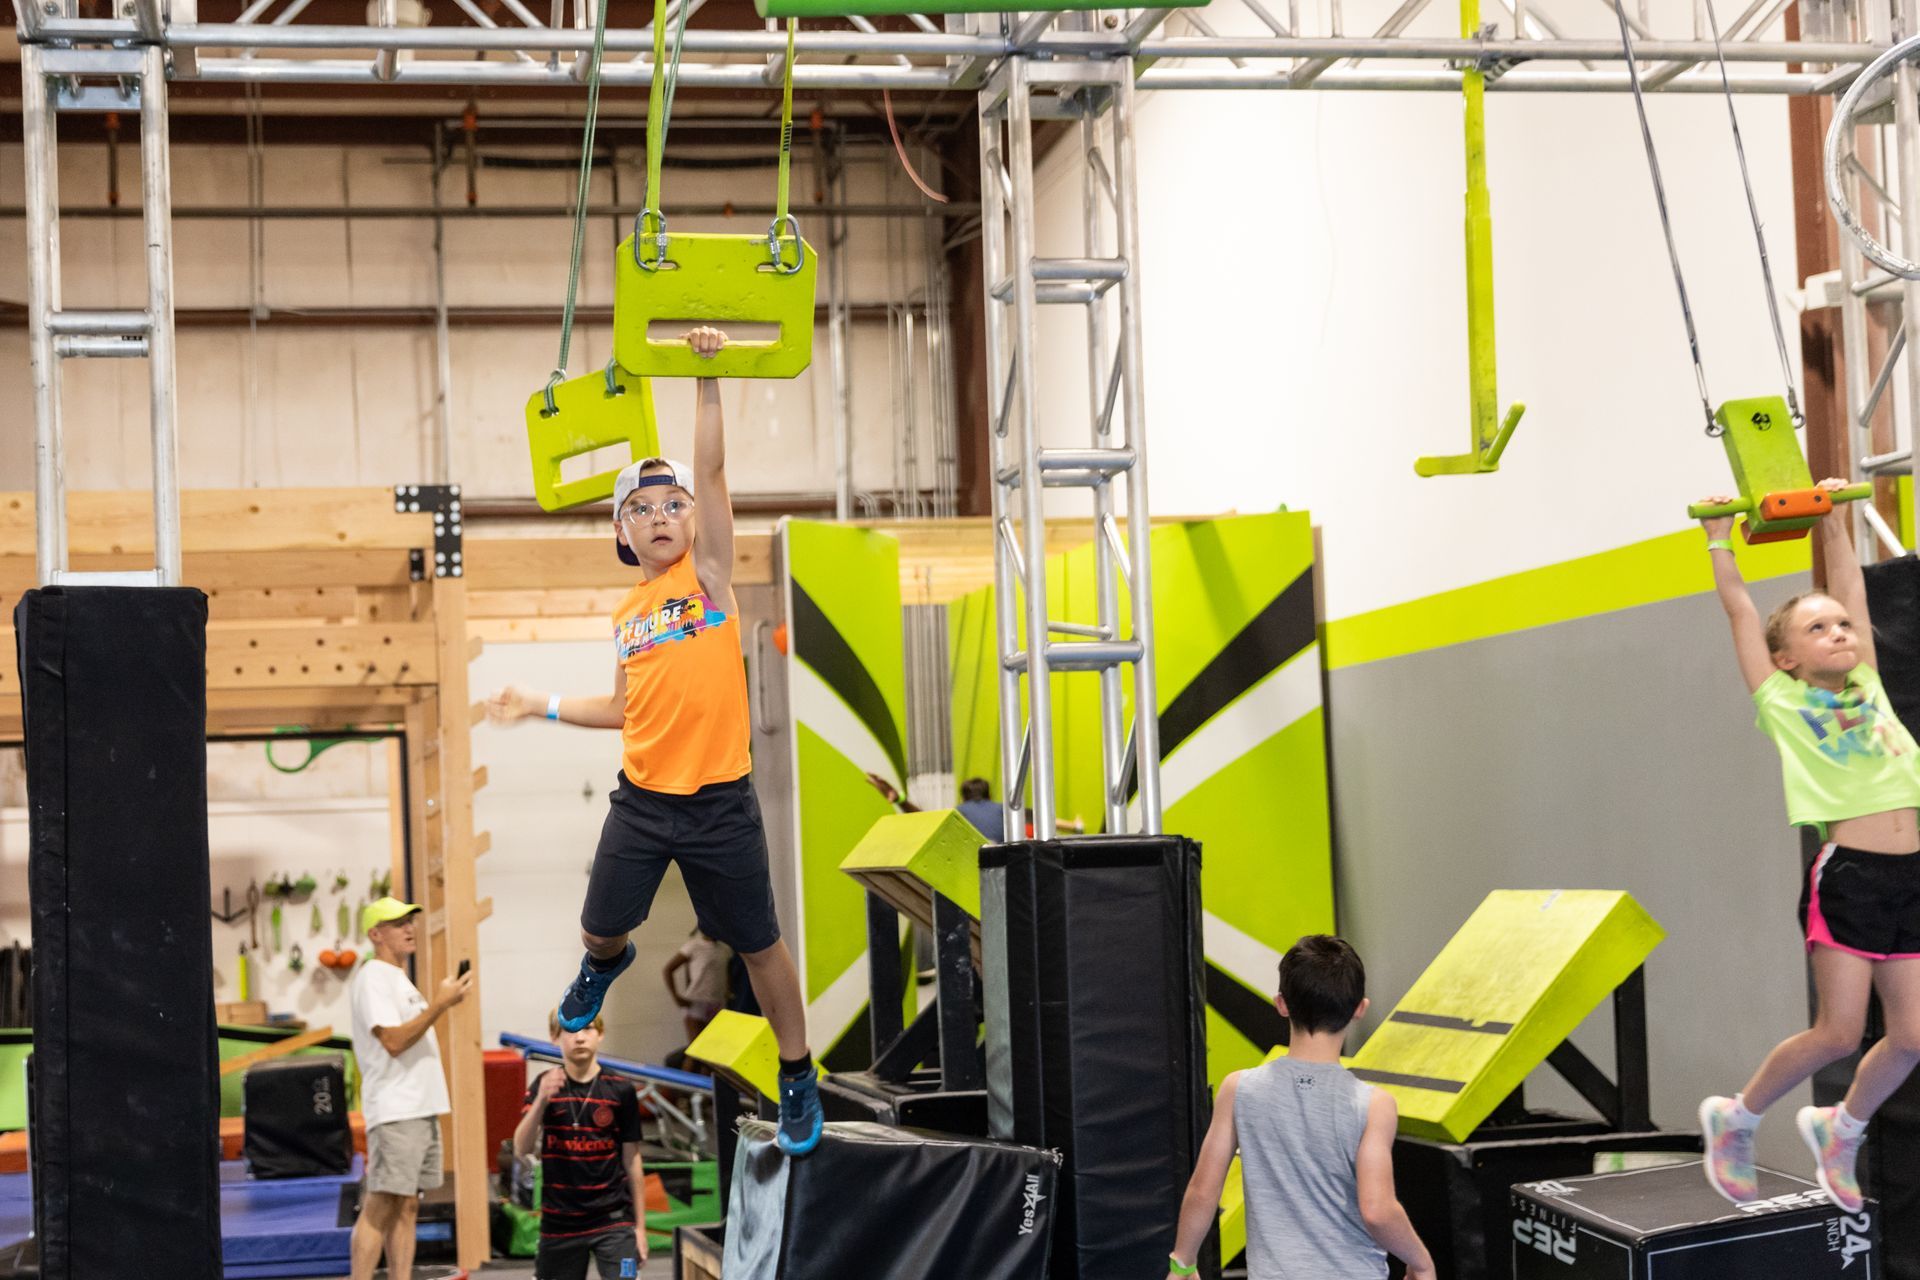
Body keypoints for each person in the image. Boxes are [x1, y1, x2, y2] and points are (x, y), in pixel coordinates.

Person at [486, 326, 823, 1156]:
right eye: (642, 508)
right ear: (621, 535)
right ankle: (603, 966)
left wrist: (705, 380)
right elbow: (626, 709)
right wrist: (538, 704)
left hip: (720, 805)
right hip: (643, 803)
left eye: (672, 505)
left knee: (761, 946)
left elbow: (709, 473)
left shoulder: (709, 581)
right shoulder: (630, 617)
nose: (664, 515)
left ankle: (799, 1072)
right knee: (598, 931)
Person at [1695, 479, 1920, 1213]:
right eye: (1818, 630)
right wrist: (1720, 541)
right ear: (1785, 659)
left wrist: (1832, 515)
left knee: (1913, 1037)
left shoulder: (1871, 687)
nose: (1840, 635)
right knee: (1839, 1031)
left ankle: (1841, 1126)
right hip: (1849, 875)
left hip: (1911, 876)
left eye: (1843, 628)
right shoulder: (1782, 701)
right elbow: (1737, 609)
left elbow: (1851, 583)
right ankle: (1739, 1116)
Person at [1165, 935, 1434, 1280]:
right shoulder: (1375, 1105)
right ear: (1359, 1009)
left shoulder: (1239, 1089)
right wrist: (1421, 1261)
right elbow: (1378, 1210)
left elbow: (1204, 1189)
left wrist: (1182, 1262)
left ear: (1281, 1004)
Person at [347, 896, 474, 1280]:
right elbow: (393, 1041)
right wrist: (440, 1004)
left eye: (410, 920)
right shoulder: (372, 977)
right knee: (380, 1206)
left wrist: (439, 1002)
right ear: (375, 933)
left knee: (407, 1207)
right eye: (398, 922)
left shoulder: (397, 978)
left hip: (419, 1107)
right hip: (396, 1109)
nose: (409, 928)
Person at [513, 1009, 647, 1279]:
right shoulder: (544, 1084)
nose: (580, 1038)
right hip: (559, 1222)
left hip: (613, 1220)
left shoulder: (620, 1089)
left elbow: (632, 1160)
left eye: (588, 1029)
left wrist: (641, 1229)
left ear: (600, 1034)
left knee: (627, 1277)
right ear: (554, 1037)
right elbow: (521, 1148)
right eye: (571, 1030)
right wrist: (541, 1101)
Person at [663, 927, 732, 1044]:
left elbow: (725, 972)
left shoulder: (725, 950)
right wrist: (677, 997)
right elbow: (668, 969)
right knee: (696, 1049)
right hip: (696, 1003)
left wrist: (727, 991)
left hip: (717, 1003)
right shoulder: (694, 947)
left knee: (712, 1049)